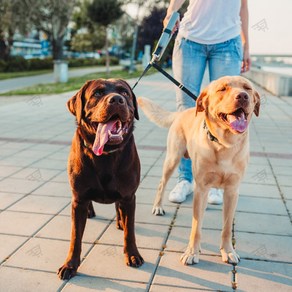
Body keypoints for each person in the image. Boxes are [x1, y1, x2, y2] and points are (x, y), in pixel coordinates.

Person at [164, 0, 251, 205]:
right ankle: (185, 179)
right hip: (190, 41)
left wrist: (246, 43)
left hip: (228, 42)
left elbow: (244, 6)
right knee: (187, 110)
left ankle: (218, 182)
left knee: (229, 112)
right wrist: (170, 12)